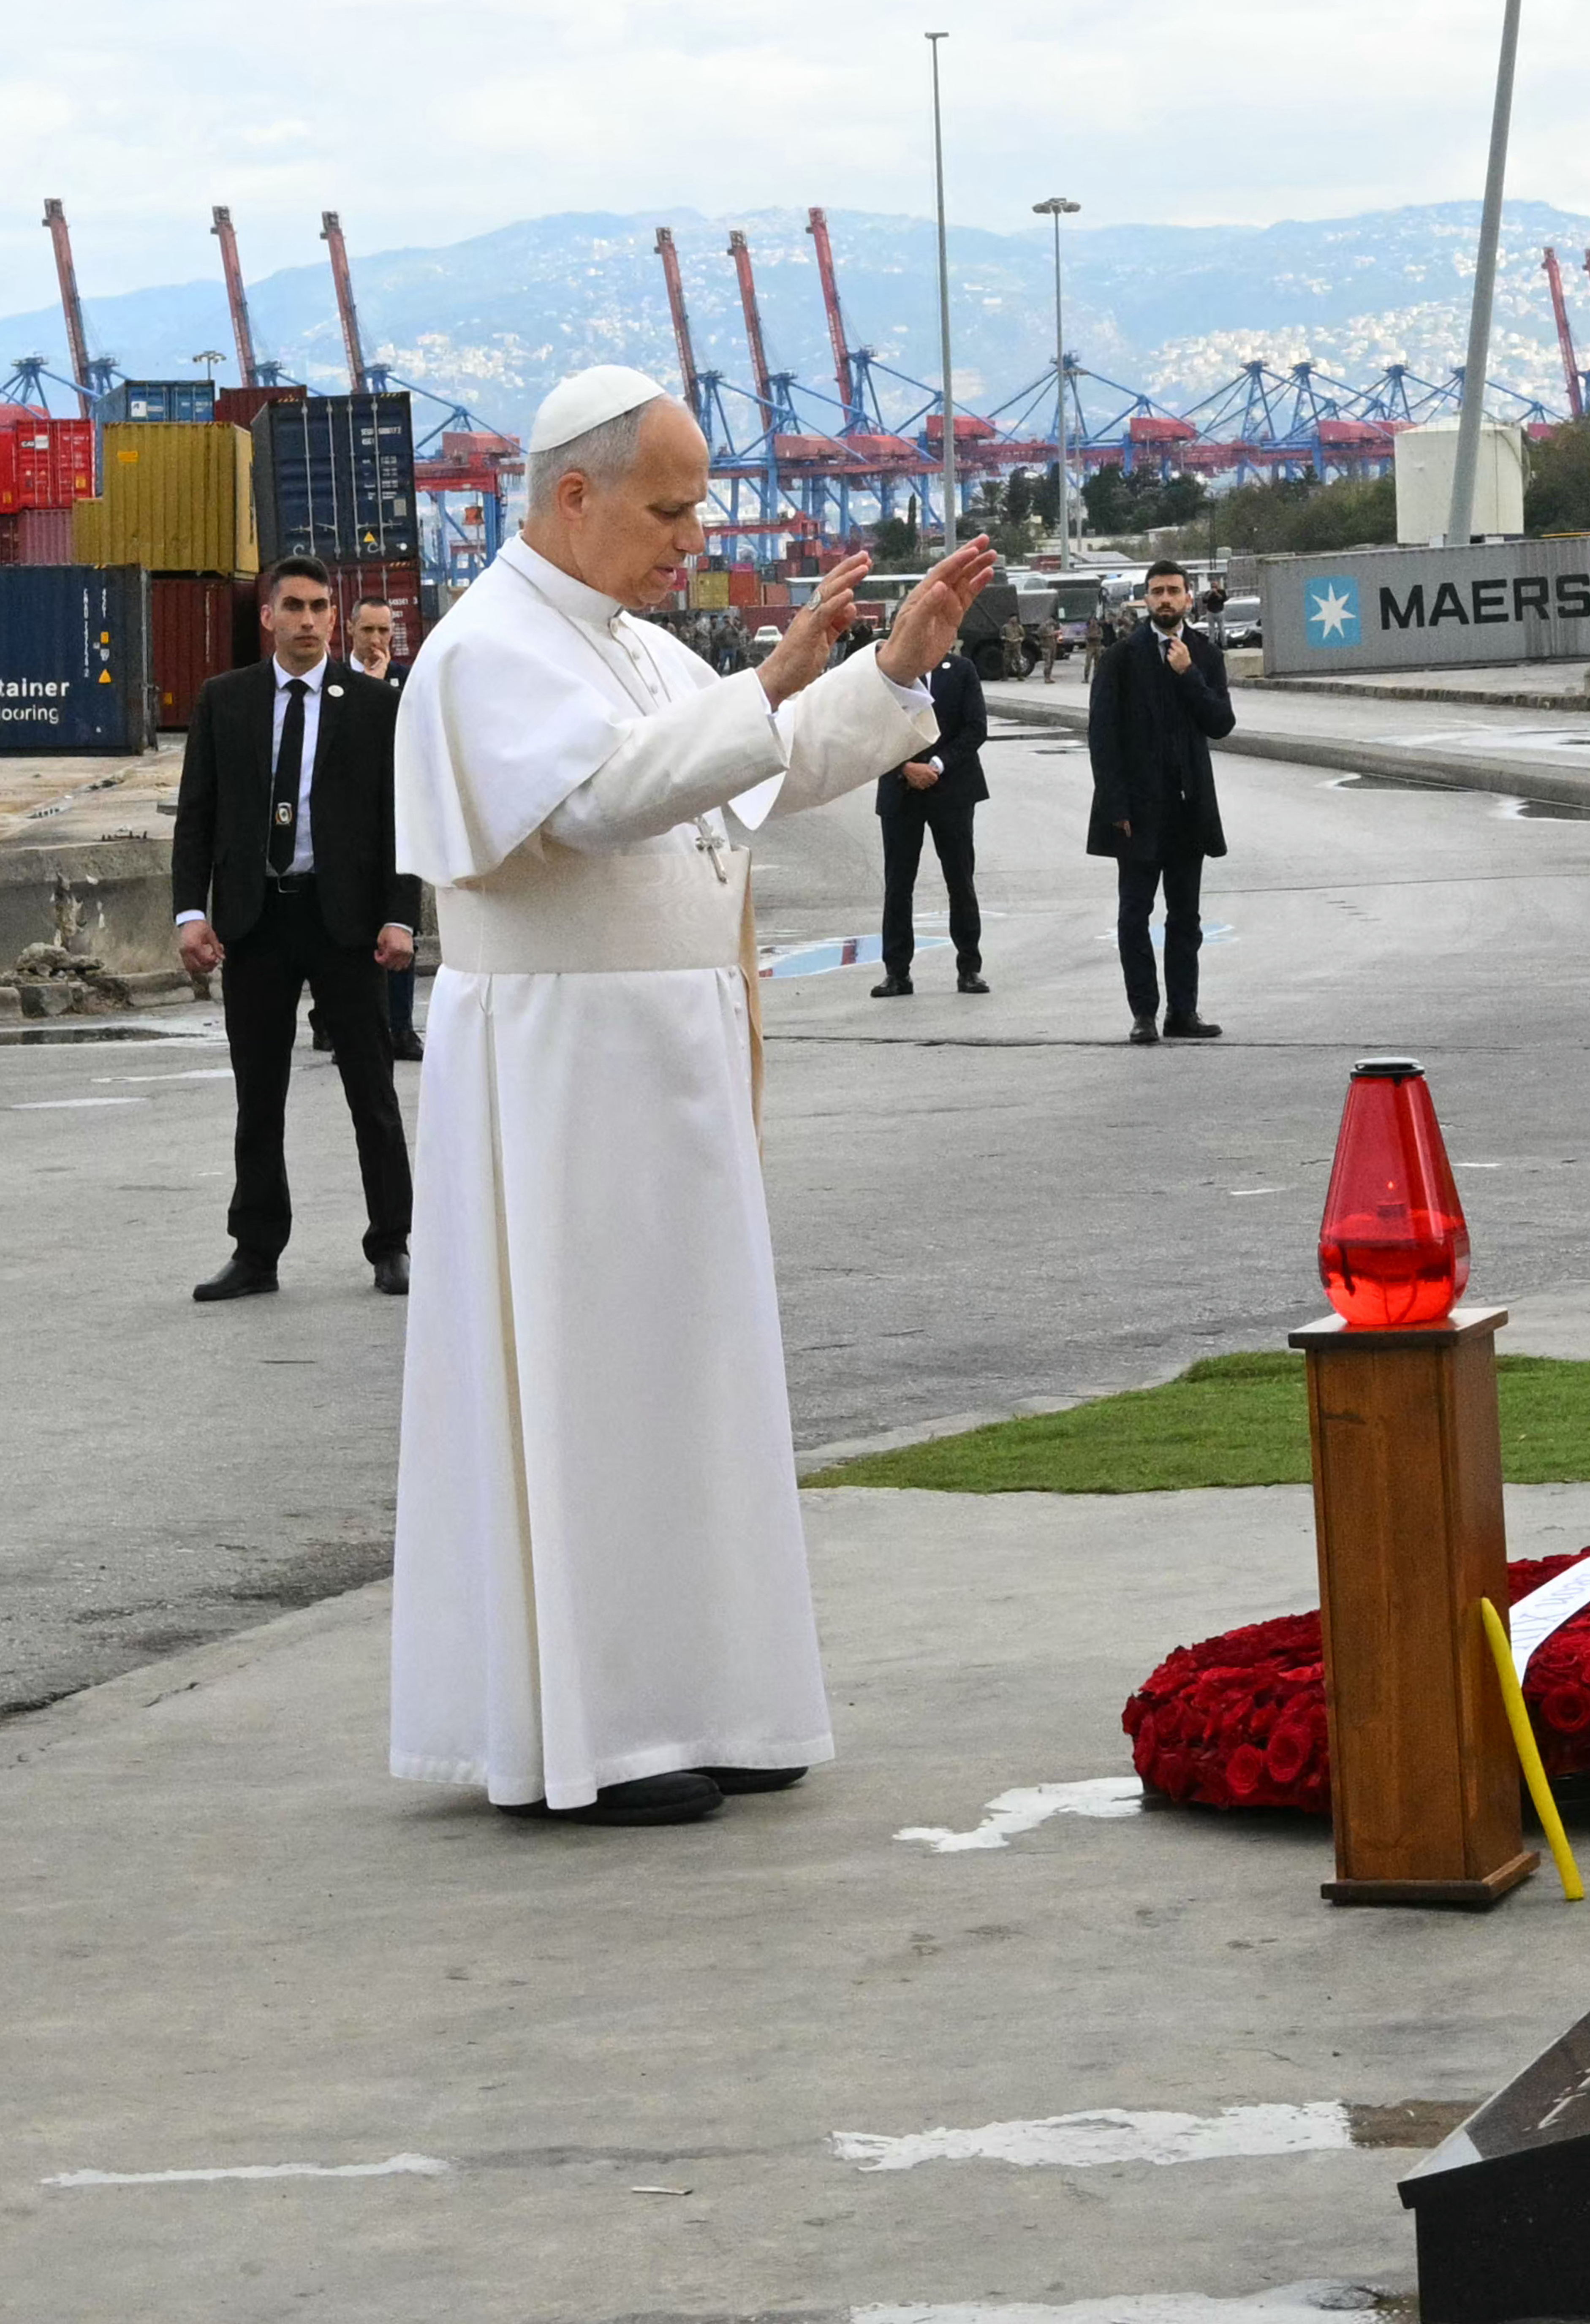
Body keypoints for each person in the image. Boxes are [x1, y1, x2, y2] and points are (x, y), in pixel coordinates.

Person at [387, 363, 998, 1828]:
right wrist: (772, 679)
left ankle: (706, 1696)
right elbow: (597, 804)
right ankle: (602, 1726)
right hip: (563, 1071)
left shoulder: (640, 646)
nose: (687, 539)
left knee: (690, 1385)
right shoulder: (488, 650)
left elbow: (752, 772)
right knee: (592, 1384)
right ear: (574, 495)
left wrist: (892, 673)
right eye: (667, 511)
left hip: (667, 1064)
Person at [172, 556, 417, 1302]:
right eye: (296, 607)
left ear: (334, 619)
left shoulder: (374, 706)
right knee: (259, 1093)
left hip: (345, 924)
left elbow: (400, 820)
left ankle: (392, 1244)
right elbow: (198, 816)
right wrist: (191, 912)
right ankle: (255, 1251)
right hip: (257, 919)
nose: (310, 620)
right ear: (268, 617)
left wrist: (402, 915)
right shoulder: (226, 701)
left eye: (321, 608)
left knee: (371, 1089)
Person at [1087, 558, 1234, 1044]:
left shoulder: (1205, 654)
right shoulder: (1121, 658)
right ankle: (1144, 1014)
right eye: (1157, 591)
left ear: (1190, 598)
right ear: (1146, 599)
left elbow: (1221, 723)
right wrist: (1116, 808)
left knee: (1185, 917)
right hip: (1137, 812)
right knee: (1134, 915)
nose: (1166, 599)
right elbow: (1103, 739)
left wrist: (1188, 674)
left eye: (1174, 590)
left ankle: (1183, 1012)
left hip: (1188, 809)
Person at [872, 641, 987, 998]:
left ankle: (969, 968)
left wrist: (937, 765)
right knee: (898, 884)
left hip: (951, 789)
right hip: (900, 789)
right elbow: (871, 731)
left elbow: (975, 728)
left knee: (960, 879)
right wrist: (905, 768)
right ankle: (897, 972)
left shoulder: (962, 670)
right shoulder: (885, 675)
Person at [345, 596, 429, 1062]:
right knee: (346, 937)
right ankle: (343, 1027)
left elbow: (416, 738)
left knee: (401, 930)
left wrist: (382, 691)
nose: (377, 642)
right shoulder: (335, 683)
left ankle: (401, 1027)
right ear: (350, 631)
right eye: (368, 631)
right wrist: (367, 692)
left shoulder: (406, 684)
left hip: (397, 824)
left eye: (385, 632)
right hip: (346, 829)